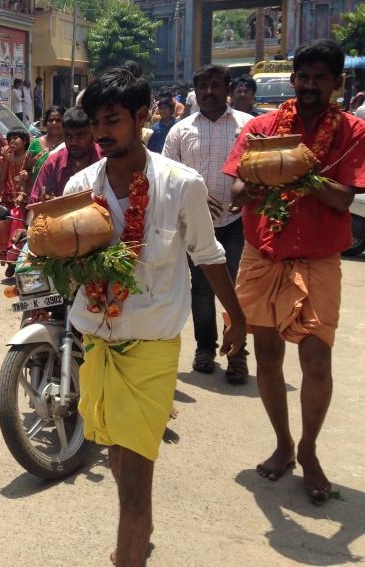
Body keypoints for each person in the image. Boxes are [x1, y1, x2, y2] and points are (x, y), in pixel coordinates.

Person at [65, 66, 247, 567]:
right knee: (116, 454)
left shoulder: (180, 184)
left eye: (113, 121)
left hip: (151, 347)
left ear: (142, 118)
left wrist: (237, 317)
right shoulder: (82, 185)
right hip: (96, 339)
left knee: (135, 480)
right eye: (96, 122)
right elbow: (64, 254)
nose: (101, 133)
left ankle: (131, 550)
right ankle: (137, 534)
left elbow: (208, 255)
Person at [224, 40, 365, 503]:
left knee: (316, 359)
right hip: (262, 253)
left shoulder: (353, 131)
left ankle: (309, 449)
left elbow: (344, 197)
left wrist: (301, 173)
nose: (308, 86)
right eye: (302, 77)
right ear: (293, 79)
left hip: (317, 258)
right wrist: (259, 183)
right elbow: (239, 189)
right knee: (266, 356)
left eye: (319, 78)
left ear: (336, 83)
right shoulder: (263, 129)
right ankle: (283, 444)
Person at [162, 65, 254, 382]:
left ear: (227, 88)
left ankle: (237, 355)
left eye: (216, 85)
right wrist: (195, 201)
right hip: (196, 227)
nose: (210, 91)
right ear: (196, 90)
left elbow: (261, 171)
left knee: (236, 289)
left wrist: (244, 194)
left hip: (237, 222)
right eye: (203, 86)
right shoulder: (180, 130)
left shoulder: (248, 126)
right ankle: (204, 348)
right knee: (201, 289)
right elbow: (167, 177)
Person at [28, 107, 100, 203]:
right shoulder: (53, 162)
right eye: (68, 136)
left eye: (80, 135)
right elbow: (35, 205)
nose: (74, 142)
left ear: (93, 133)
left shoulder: (106, 159)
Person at [0, 127, 31, 274]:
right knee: (5, 231)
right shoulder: (6, 156)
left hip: (25, 200)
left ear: (24, 141)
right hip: (8, 199)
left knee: (21, 232)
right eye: (9, 139)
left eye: (15, 138)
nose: (11, 141)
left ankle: (18, 263)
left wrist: (28, 175)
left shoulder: (30, 156)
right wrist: (5, 160)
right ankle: (10, 263)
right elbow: (1, 178)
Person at [29, 105, 65, 177]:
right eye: (51, 120)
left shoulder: (69, 143)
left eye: (58, 120)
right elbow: (27, 169)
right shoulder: (35, 144)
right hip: (39, 187)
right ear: (46, 123)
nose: (54, 123)